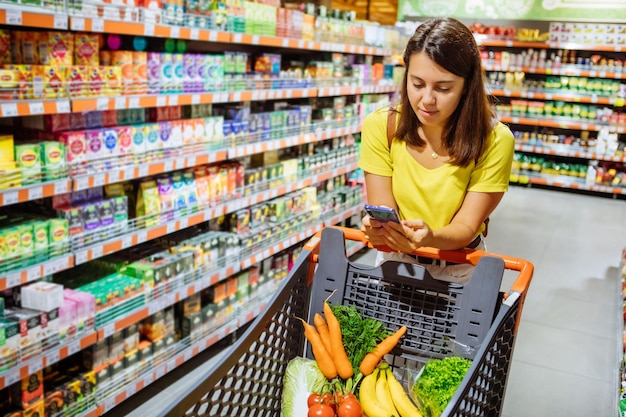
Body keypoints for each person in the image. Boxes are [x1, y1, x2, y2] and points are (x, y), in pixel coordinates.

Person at [358, 17, 515, 283]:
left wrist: (430, 238)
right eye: (417, 84)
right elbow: (383, 207)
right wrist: (378, 230)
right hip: (396, 263)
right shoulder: (381, 126)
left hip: (460, 269)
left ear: (467, 87)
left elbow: (465, 226)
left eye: (443, 88)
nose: (427, 100)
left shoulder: (494, 140)